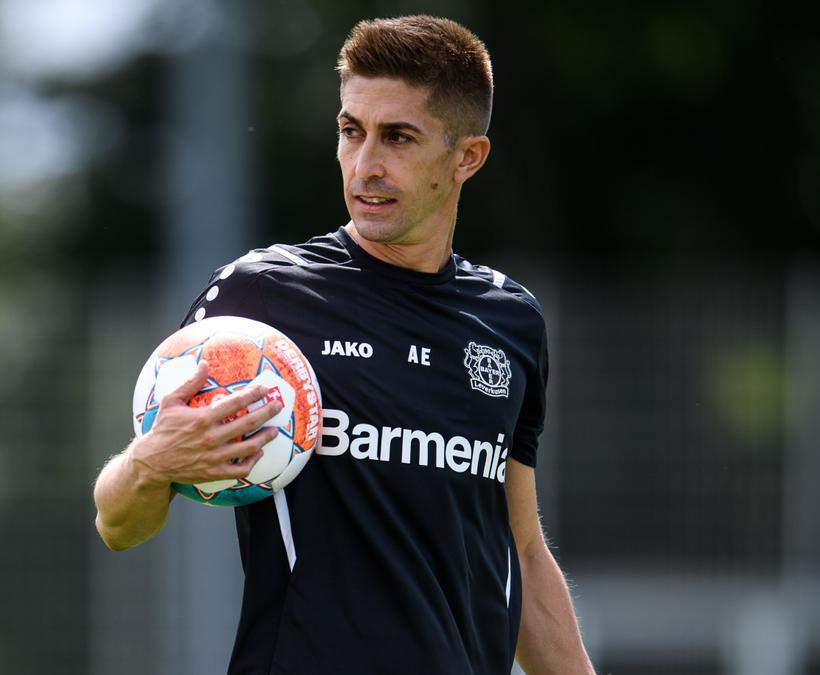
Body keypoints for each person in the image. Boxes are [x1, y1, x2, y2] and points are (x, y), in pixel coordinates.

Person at [94, 15, 597, 675]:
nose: (366, 165)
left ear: (466, 157)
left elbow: (523, 550)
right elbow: (118, 523)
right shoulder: (260, 300)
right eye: (350, 131)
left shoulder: (510, 323)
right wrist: (152, 461)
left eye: (398, 137)